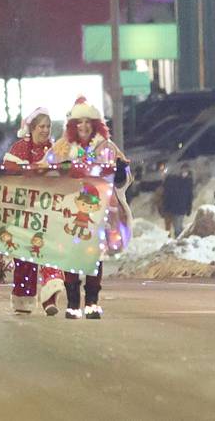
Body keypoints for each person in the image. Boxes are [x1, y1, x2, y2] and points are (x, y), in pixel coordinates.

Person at [47, 96, 133, 320]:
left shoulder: (106, 147)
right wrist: (59, 170)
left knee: (94, 256)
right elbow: (46, 173)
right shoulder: (62, 148)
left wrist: (121, 171)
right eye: (79, 122)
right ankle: (73, 302)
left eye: (87, 121)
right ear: (73, 126)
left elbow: (122, 181)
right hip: (69, 211)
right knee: (71, 255)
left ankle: (92, 302)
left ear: (95, 124)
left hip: (98, 212)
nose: (83, 126)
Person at [3, 108, 65, 316]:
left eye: (48, 126)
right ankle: (24, 298)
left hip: (49, 211)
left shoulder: (56, 150)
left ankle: (50, 298)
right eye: (41, 126)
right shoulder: (19, 149)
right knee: (25, 257)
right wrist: (34, 170)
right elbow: (10, 174)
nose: (45, 130)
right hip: (25, 211)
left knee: (50, 253)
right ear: (32, 128)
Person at [161, 163, 194, 237]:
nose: (184, 172)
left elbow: (189, 196)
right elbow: (169, 193)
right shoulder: (176, 180)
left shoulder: (188, 182)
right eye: (183, 170)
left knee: (178, 228)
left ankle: (179, 242)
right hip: (174, 207)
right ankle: (179, 241)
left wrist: (189, 208)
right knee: (175, 227)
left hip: (181, 208)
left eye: (186, 170)